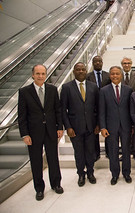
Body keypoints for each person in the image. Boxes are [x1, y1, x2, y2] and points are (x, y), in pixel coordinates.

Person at [18, 64, 63, 201]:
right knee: (36, 161)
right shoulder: (24, 92)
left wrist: (59, 127)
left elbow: (58, 110)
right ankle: (39, 188)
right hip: (33, 133)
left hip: (50, 131)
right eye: (38, 74)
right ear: (33, 75)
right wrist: (25, 134)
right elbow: (22, 115)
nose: (40, 76)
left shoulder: (52, 89)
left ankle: (56, 184)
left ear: (46, 74)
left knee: (53, 159)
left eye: (43, 73)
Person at [61, 62, 99, 187]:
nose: (81, 71)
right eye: (78, 69)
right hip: (75, 128)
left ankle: (90, 172)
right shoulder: (67, 87)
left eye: (83, 69)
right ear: (74, 71)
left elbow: (98, 108)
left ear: (86, 71)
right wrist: (68, 127)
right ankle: (81, 174)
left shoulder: (93, 87)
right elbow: (63, 110)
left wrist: (98, 124)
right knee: (79, 153)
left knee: (90, 152)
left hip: (91, 127)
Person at [99, 66, 133, 185]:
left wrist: (132, 126)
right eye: (112, 74)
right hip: (110, 126)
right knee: (112, 151)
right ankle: (114, 174)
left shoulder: (128, 90)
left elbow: (131, 110)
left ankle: (126, 173)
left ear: (121, 75)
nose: (115, 76)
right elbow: (101, 111)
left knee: (126, 150)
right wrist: (102, 127)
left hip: (126, 125)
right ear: (110, 75)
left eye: (117, 73)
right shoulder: (103, 91)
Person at [86, 55, 111, 161]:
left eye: (99, 61)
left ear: (102, 62)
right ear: (92, 63)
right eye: (95, 61)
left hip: (106, 107)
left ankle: (109, 152)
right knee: (94, 131)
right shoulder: (87, 76)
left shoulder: (108, 75)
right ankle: (95, 153)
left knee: (107, 130)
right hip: (92, 108)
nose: (97, 63)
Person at [121, 56, 135, 161]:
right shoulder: (118, 76)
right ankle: (125, 153)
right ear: (122, 65)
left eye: (128, 63)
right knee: (124, 133)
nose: (126, 65)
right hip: (122, 109)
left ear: (131, 64)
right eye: (124, 63)